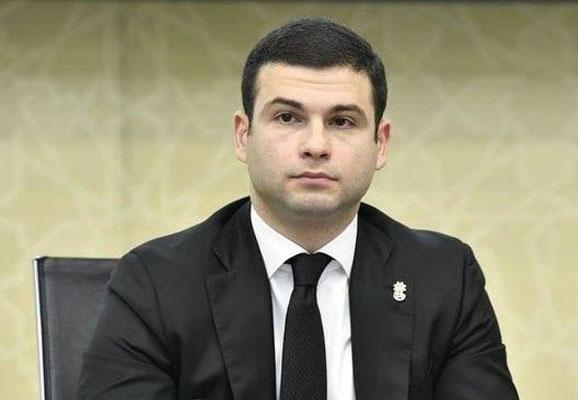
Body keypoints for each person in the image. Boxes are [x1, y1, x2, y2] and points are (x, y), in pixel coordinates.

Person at [77, 17, 518, 400]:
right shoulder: (157, 282)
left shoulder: (444, 278)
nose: (315, 145)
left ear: (380, 144)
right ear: (243, 136)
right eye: (287, 117)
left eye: (342, 121)